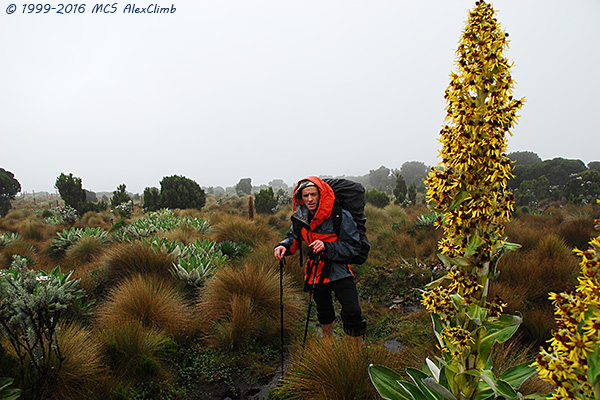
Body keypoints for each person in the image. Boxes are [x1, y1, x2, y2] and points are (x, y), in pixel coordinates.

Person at [274, 176, 366, 341]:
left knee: (352, 311)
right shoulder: (300, 218)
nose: (309, 199)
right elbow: (293, 237)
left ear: (320, 195)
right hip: (315, 272)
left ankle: (355, 353)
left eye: (313, 194)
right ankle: (328, 344)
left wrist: (327, 247)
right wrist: (284, 246)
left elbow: (353, 247)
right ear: (300, 198)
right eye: (305, 195)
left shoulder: (339, 215)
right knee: (323, 310)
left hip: (340, 271)